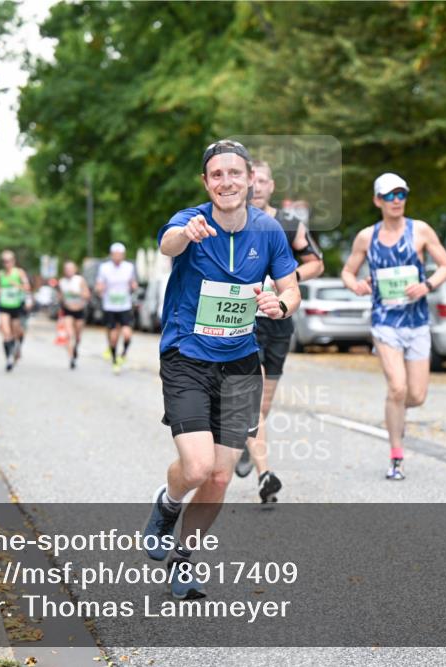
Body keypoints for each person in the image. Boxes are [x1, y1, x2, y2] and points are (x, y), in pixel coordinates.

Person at [143, 139, 300, 599]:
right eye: (217, 175)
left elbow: (291, 289)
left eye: (235, 173)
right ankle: (167, 505)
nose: (226, 182)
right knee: (196, 467)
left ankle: (184, 560)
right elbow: (167, 243)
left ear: (250, 179)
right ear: (206, 182)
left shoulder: (269, 230)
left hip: (240, 364)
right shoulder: (190, 221)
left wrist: (280, 304)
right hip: (187, 359)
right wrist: (186, 235)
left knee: (219, 475)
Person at [341, 172, 446, 480]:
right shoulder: (367, 237)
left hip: (416, 322)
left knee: (415, 396)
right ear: (378, 200)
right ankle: (396, 455)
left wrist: (427, 285)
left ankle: (395, 411)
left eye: (401, 194)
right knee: (398, 387)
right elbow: (348, 273)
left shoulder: (421, 230)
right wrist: (357, 287)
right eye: (389, 195)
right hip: (385, 321)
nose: (396, 201)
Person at [234, 161, 325, 504]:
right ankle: (265, 475)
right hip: (244, 321)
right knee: (253, 399)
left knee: (263, 404)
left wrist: (288, 281)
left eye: (262, 181)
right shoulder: (233, 222)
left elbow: (317, 262)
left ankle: (248, 442)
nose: (256, 186)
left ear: (272, 186)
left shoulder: (288, 224)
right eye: (251, 180)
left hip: (279, 322)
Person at [96, 243, 138, 374]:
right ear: (111, 254)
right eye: (115, 254)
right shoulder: (104, 268)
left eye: (120, 254)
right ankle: (115, 361)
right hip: (110, 306)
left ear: (124, 255)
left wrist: (134, 286)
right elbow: (99, 284)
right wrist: (99, 289)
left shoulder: (129, 267)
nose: (118, 257)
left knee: (127, 334)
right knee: (113, 337)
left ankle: (123, 355)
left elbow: (133, 282)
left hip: (124, 305)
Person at [0, 250, 31, 372]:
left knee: (17, 333)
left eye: (9, 261)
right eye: (4, 261)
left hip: (17, 307)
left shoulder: (19, 273)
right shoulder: (0, 274)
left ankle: (17, 347)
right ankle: (9, 359)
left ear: (14, 261)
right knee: (6, 333)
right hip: (4, 306)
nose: (7, 264)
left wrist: (16, 285)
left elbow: (27, 288)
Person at [58, 261, 92, 369]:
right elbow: (61, 297)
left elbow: (87, 295)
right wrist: (62, 300)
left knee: (77, 336)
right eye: (66, 269)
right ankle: (71, 357)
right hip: (68, 310)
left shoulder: (79, 280)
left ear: (75, 270)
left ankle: (75, 348)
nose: (68, 271)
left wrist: (77, 293)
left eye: (70, 269)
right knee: (69, 334)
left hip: (79, 310)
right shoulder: (62, 282)